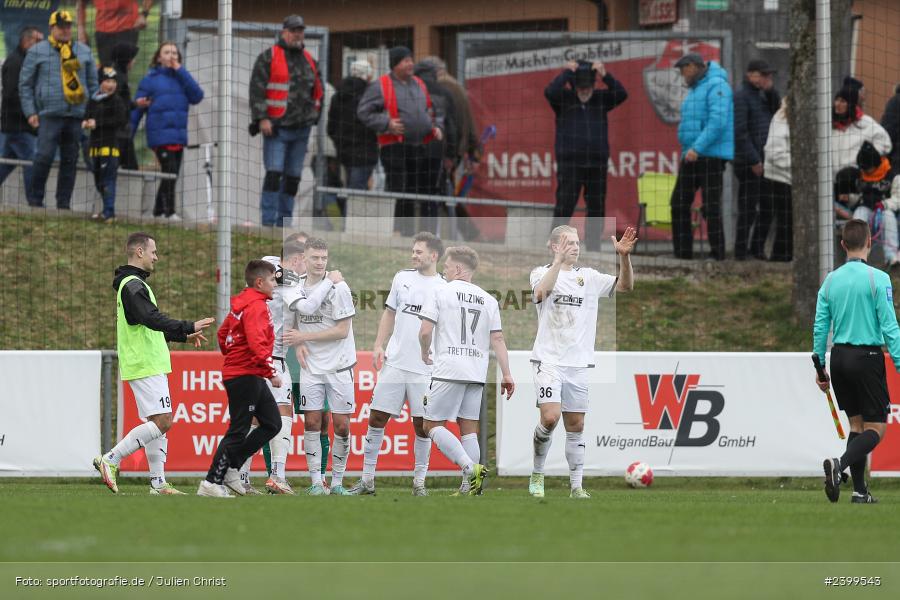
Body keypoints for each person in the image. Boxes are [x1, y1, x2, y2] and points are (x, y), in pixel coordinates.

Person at [94, 232, 214, 495]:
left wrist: (183, 335)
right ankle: (111, 459)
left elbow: (148, 324)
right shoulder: (132, 284)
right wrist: (187, 325)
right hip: (145, 362)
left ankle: (158, 483)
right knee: (163, 421)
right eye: (153, 252)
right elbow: (151, 318)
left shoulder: (134, 284)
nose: (156, 257)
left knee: (156, 423)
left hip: (147, 361)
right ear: (139, 252)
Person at [529, 225, 636, 499]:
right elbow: (541, 293)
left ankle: (576, 486)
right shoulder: (541, 273)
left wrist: (623, 257)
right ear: (554, 246)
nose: (575, 247)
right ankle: (538, 474)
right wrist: (557, 262)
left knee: (576, 426)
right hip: (548, 361)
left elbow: (625, 286)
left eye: (577, 242)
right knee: (550, 418)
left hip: (578, 365)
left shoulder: (588, 277)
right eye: (568, 243)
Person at [347, 232, 447, 496]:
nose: (413, 255)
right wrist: (379, 345)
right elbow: (389, 313)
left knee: (422, 425)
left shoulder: (444, 287)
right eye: (413, 251)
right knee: (377, 417)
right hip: (395, 362)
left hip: (425, 368)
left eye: (419, 252)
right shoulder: (402, 278)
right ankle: (367, 481)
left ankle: (419, 483)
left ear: (433, 256)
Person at [246, 243, 344, 495]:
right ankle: (276, 475)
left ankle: (240, 476)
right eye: (307, 260)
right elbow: (308, 307)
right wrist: (329, 282)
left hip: (254, 354)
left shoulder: (268, 265)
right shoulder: (288, 277)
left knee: (255, 419)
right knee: (282, 415)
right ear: (298, 259)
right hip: (271, 357)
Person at [814, 219, 900, 505]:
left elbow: (820, 326)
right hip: (867, 357)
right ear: (870, 243)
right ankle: (839, 464)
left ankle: (860, 492)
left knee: (856, 426)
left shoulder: (830, 280)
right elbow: (890, 327)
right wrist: (899, 362)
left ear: (842, 246)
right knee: (876, 429)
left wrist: (820, 367)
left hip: (838, 358)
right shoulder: (879, 279)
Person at [418, 246, 515, 496]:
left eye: (447, 267)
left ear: (459, 268)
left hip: (448, 368)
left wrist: (424, 351)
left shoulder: (440, 291)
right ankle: (470, 488)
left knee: (431, 425)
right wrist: (506, 373)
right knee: (468, 429)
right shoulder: (489, 299)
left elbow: (425, 331)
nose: (445, 271)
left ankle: (470, 469)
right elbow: (498, 339)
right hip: (476, 371)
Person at [198, 260, 282, 498]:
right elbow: (257, 345)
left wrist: (233, 356)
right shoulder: (255, 306)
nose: (275, 285)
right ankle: (211, 482)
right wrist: (271, 372)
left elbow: (222, 333)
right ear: (259, 282)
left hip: (247, 372)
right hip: (246, 374)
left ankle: (232, 466)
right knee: (238, 429)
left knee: (272, 423)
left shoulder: (242, 303)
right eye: (272, 280)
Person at [283, 238, 357, 495]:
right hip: (310, 367)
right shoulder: (296, 287)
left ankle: (336, 482)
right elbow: (291, 323)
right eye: (314, 257)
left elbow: (342, 330)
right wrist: (297, 344)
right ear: (304, 258)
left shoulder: (340, 288)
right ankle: (316, 481)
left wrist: (304, 338)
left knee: (342, 426)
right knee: (312, 422)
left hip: (339, 365)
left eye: (323, 258)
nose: (319, 262)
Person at [357, 46, 445, 236]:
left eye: (411, 60)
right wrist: (386, 123)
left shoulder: (420, 84)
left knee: (419, 191)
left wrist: (437, 126)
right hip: (394, 146)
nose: (411, 64)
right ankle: (400, 232)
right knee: (400, 189)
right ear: (395, 64)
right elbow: (363, 112)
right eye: (406, 61)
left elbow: (432, 111)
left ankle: (423, 236)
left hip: (420, 146)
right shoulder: (380, 86)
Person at [545, 60, 628, 251]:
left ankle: (593, 246)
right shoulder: (564, 99)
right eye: (580, 87)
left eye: (587, 87)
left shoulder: (601, 99)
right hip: (570, 164)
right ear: (574, 86)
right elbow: (549, 92)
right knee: (564, 204)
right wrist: (566, 72)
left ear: (593, 85)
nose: (584, 91)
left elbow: (622, 93)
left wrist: (605, 74)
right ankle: (555, 244)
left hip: (596, 164)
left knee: (596, 207)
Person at [19, 10, 98, 209]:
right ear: (51, 28)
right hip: (48, 113)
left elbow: (92, 83)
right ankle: (35, 200)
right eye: (60, 26)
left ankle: (63, 203)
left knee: (70, 160)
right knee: (44, 155)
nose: (65, 30)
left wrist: (91, 113)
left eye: (68, 26)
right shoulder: (37, 51)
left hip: (76, 114)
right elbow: (25, 84)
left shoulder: (83, 51)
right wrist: (30, 112)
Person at [249, 15, 322, 227]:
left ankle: (284, 223)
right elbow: (257, 89)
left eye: (300, 30)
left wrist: (314, 116)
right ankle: (268, 223)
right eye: (293, 30)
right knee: (274, 173)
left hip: (302, 130)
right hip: (276, 128)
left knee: (293, 178)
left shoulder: (309, 59)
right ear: (284, 32)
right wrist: (262, 118)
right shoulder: (268, 57)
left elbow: (319, 92)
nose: (297, 34)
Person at [670, 53, 734, 260]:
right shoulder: (696, 89)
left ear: (693, 66)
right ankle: (682, 255)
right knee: (679, 202)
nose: (682, 75)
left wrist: (697, 147)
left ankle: (718, 256)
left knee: (711, 206)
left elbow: (718, 121)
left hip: (710, 157)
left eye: (683, 70)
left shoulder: (718, 86)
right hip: (691, 155)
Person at [131, 41, 203, 220]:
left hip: (178, 135)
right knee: (169, 172)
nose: (171, 56)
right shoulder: (150, 79)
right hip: (160, 135)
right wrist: (128, 133)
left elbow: (197, 96)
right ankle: (169, 211)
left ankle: (157, 211)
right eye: (167, 52)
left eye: (174, 53)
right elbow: (138, 107)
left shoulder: (182, 78)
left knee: (172, 174)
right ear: (158, 57)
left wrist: (181, 70)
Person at [733, 59, 780, 260]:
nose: (767, 79)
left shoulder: (762, 96)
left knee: (768, 207)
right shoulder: (742, 96)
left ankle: (757, 248)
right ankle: (741, 252)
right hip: (748, 163)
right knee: (748, 208)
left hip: (765, 161)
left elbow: (777, 110)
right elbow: (740, 132)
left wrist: (770, 91)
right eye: (763, 75)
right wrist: (753, 160)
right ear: (751, 74)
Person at [0, 26, 43, 200]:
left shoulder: (27, 62)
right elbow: (11, 94)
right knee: (32, 161)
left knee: (6, 163)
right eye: (38, 41)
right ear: (27, 42)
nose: (42, 46)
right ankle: (35, 204)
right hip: (18, 125)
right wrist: (30, 113)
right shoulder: (15, 62)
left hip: (18, 124)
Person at [83, 66, 129, 222]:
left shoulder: (117, 101)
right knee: (98, 180)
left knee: (108, 179)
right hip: (95, 147)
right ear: (100, 82)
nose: (111, 85)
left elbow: (121, 120)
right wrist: (86, 122)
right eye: (107, 81)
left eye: (113, 81)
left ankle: (109, 212)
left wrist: (98, 123)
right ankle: (106, 210)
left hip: (109, 147)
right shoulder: (93, 99)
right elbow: (87, 115)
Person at [328, 59, 378, 190]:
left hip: (344, 152)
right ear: (367, 75)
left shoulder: (338, 95)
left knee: (351, 188)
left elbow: (331, 127)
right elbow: (376, 123)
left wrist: (340, 141)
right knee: (356, 193)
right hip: (366, 151)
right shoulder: (370, 95)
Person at [831, 79, 891, 177]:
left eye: (842, 101)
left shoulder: (864, 123)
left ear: (850, 104)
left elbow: (885, 143)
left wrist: (866, 160)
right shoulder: (829, 125)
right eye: (836, 100)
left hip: (855, 181)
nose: (837, 104)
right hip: (830, 183)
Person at [850, 142, 896, 267]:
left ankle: (891, 257)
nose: (865, 171)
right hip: (865, 207)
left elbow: (898, 198)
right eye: (862, 168)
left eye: (867, 168)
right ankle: (855, 259)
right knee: (857, 220)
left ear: (875, 164)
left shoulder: (892, 174)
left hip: (886, 209)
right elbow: (854, 197)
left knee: (889, 218)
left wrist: (885, 204)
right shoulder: (860, 174)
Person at [76, 1, 153, 68]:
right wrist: (80, 29)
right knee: (107, 71)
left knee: (122, 69)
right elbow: (81, 3)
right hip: (103, 30)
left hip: (127, 28)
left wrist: (144, 14)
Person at [762, 97, 793, 262]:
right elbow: (774, 153)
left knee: (787, 220)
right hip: (779, 178)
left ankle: (785, 255)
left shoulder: (794, 118)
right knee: (784, 220)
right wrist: (800, 166)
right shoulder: (781, 119)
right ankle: (779, 257)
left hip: (789, 178)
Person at [109, 42, 140, 169]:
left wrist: (135, 104)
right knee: (129, 168)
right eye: (132, 58)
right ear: (126, 60)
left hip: (120, 132)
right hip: (118, 133)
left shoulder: (118, 75)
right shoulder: (118, 78)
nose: (134, 61)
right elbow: (115, 104)